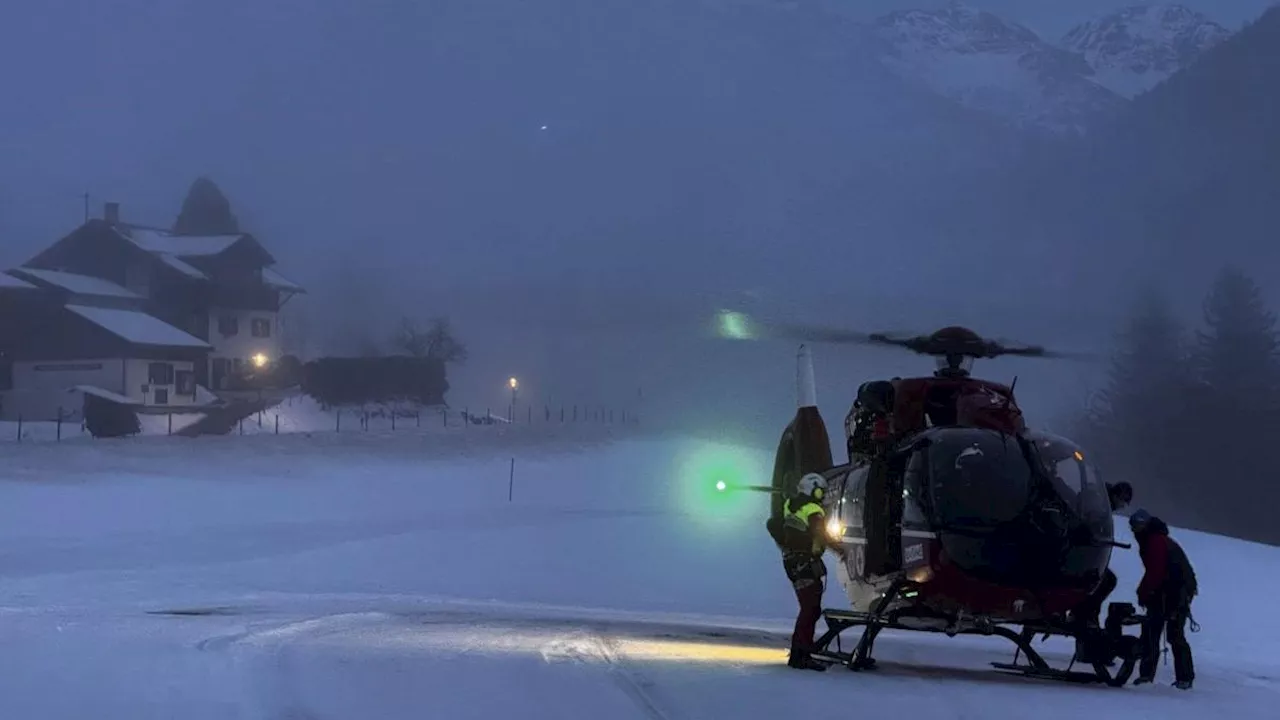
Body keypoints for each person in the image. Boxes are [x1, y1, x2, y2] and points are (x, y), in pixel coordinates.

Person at [767, 472, 840, 671]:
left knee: (808, 608)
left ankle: (799, 652)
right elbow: (820, 535)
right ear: (813, 489)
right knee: (811, 609)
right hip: (805, 563)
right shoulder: (813, 509)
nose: (822, 495)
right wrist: (841, 549)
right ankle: (802, 654)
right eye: (820, 491)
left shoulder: (790, 505)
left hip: (791, 562)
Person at [1130, 509, 1197, 689]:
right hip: (1168, 591)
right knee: (1155, 632)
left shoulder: (1155, 542)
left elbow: (1156, 571)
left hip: (1175, 592)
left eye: (1137, 525)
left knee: (1168, 634)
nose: (1135, 530)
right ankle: (1152, 676)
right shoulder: (1157, 540)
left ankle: (1182, 678)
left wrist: (1143, 592)